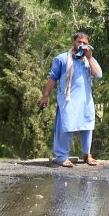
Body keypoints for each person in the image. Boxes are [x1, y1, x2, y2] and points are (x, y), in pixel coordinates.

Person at [38, 31, 102, 167]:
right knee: (65, 126)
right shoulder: (62, 59)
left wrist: (90, 58)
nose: (82, 45)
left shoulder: (88, 59)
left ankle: (87, 154)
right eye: (80, 42)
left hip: (85, 100)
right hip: (68, 100)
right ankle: (62, 156)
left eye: (85, 43)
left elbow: (98, 75)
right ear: (74, 42)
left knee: (87, 126)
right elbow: (53, 78)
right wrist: (45, 95)